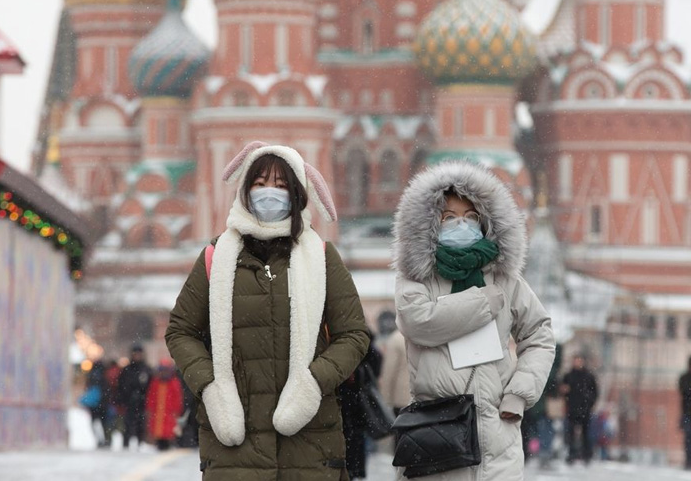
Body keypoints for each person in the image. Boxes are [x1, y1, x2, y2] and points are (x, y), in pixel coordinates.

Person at [165, 141, 370, 479]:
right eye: (259, 184)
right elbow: (180, 331)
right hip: (234, 444)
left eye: (280, 185)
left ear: (298, 194)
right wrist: (211, 387)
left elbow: (353, 334)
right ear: (244, 191)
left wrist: (313, 383)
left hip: (309, 441)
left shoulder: (320, 257)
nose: (269, 193)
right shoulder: (217, 258)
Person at [392, 161, 556, 480]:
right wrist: (484, 300)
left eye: (470, 218)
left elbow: (539, 334)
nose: (461, 225)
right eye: (449, 218)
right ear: (429, 225)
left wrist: (519, 394)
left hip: (499, 440)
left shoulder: (505, 280)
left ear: (485, 223)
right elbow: (420, 322)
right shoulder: (417, 279)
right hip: (437, 439)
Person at [340, 339, 382, 479]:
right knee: (353, 439)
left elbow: (375, 359)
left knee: (351, 439)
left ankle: (352, 472)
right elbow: (376, 360)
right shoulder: (358, 336)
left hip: (349, 401)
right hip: (353, 401)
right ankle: (353, 472)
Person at [561, 354, 598, 464]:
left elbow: (595, 392)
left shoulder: (589, 376)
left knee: (586, 433)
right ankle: (572, 454)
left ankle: (586, 455)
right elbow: (563, 390)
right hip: (572, 408)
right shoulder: (568, 376)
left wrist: (590, 403)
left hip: (585, 408)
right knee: (571, 432)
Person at [118, 344, 152, 450]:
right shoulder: (127, 370)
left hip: (142, 402)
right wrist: (124, 399)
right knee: (127, 424)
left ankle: (140, 443)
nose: (137, 356)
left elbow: (150, 387)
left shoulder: (146, 369)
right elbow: (121, 385)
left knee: (140, 424)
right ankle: (126, 444)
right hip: (129, 403)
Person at [146, 359, 184, 451]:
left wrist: (177, 410)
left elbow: (177, 398)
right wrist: (150, 408)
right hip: (158, 411)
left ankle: (167, 443)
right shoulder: (155, 382)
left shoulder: (174, 383)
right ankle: (160, 443)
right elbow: (151, 397)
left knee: (168, 430)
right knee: (158, 429)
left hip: (169, 412)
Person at [80, 360, 108, 448]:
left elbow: (87, 388)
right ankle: (103, 439)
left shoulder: (91, 376)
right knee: (103, 422)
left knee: (94, 422)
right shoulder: (103, 376)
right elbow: (106, 390)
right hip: (102, 403)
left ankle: (99, 439)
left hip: (94, 404)